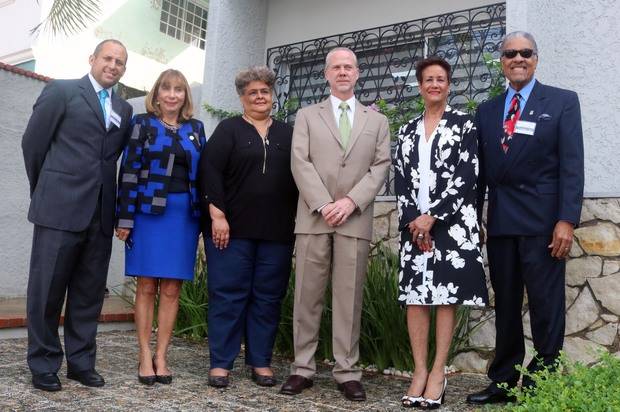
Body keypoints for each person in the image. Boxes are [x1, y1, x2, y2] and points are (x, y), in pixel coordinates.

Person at [467, 31, 584, 405]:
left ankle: (542, 382)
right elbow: (479, 171)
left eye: (525, 53)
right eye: (510, 53)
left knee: (546, 307)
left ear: (536, 58)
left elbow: (572, 166)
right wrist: (476, 217)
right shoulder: (486, 110)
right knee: (505, 307)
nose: (518, 58)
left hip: (544, 224)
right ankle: (502, 382)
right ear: (501, 61)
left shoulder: (563, 102)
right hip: (501, 224)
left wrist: (567, 220)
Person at [280, 47, 391, 402]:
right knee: (307, 296)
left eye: (349, 67)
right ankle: (302, 368)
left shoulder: (378, 121)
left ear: (358, 73)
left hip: (354, 219)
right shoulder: (308, 116)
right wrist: (325, 203)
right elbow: (300, 162)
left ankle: (347, 371)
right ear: (326, 75)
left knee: (349, 298)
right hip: (314, 217)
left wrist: (349, 202)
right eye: (336, 67)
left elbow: (380, 167)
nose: (343, 72)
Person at [22, 39, 133, 391]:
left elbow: (110, 159)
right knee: (47, 292)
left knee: (88, 294)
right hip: (58, 209)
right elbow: (33, 145)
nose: (113, 65)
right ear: (92, 59)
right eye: (108, 58)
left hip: (100, 214)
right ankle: (43, 364)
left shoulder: (123, 109)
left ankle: (81, 363)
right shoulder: (62, 92)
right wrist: (47, 190)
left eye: (120, 62)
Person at [393, 56, 489, 409]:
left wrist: (432, 217)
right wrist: (414, 221)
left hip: (450, 224)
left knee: (445, 297)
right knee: (416, 298)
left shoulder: (465, 124)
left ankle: (438, 372)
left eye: (440, 79)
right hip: (413, 226)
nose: (434, 84)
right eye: (428, 79)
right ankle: (418, 371)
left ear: (449, 85)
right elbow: (400, 179)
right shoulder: (405, 130)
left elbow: (468, 176)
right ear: (420, 86)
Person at [198, 66, 298, 388]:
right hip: (232, 231)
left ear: (272, 96)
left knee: (268, 298)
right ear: (242, 98)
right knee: (228, 295)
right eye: (252, 92)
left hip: (277, 233)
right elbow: (209, 171)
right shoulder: (228, 130)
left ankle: (260, 362)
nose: (259, 97)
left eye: (264, 91)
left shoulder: (288, 134)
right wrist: (217, 215)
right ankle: (221, 364)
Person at [116, 69, 206, 386]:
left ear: (185, 96)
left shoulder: (196, 129)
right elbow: (129, 171)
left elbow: (204, 175)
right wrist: (124, 217)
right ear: (156, 94)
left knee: (171, 288)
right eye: (166, 89)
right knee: (146, 286)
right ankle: (144, 354)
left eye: (179, 89)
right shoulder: (142, 124)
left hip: (184, 217)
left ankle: (162, 356)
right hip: (147, 215)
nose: (172, 94)